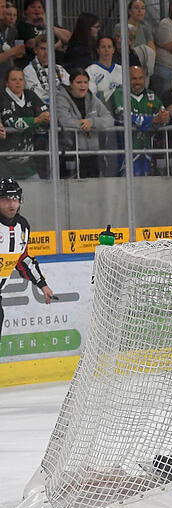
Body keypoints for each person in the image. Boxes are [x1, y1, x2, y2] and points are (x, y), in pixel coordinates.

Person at [0, 177, 52, 339]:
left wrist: (42, 285)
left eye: (15, 199)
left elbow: (23, 259)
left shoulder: (22, 226)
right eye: (6, 199)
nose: (12, 204)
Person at [55, 67, 114, 178]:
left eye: (85, 82)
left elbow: (109, 119)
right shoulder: (60, 99)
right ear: (71, 84)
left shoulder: (92, 99)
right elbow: (63, 120)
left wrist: (91, 122)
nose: (83, 86)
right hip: (69, 153)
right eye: (79, 82)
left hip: (92, 153)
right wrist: (83, 125)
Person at [111, 65, 169, 176]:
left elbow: (163, 115)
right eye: (134, 78)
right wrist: (153, 120)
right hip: (126, 152)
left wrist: (162, 118)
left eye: (140, 78)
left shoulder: (151, 95)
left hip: (147, 150)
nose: (137, 82)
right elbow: (124, 117)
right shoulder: (119, 93)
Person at [0, 67, 49, 179]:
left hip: (28, 162)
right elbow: (10, 122)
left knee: (36, 192)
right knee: (8, 195)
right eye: (14, 79)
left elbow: (46, 116)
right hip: (4, 162)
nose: (18, 82)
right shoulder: (2, 97)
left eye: (21, 79)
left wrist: (44, 118)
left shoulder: (30, 95)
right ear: (6, 83)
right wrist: (37, 120)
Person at [16, 0, 71, 69]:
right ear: (26, 11)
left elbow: (69, 38)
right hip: (34, 66)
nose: (37, 9)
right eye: (33, 7)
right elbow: (32, 44)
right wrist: (55, 46)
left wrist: (47, 25)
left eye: (39, 7)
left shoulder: (50, 25)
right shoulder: (23, 26)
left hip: (57, 65)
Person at [22, 38, 68, 104]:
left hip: (62, 105)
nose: (46, 52)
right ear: (35, 50)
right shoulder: (28, 70)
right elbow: (37, 95)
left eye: (48, 49)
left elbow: (69, 87)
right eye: (42, 49)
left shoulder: (60, 68)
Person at [86, 36, 122, 106]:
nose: (106, 50)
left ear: (113, 50)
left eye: (109, 47)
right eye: (103, 47)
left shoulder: (122, 70)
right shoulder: (90, 71)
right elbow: (91, 97)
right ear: (98, 50)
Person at [0, 0, 25, 76]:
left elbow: (10, 56)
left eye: (15, 15)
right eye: (8, 14)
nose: (12, 18)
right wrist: (12, 51)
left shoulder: (13, 30)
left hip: (7, 72)